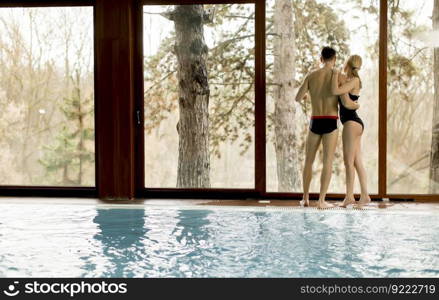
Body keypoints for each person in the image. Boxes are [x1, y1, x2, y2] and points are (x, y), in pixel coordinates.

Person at [295, 46, 339, 209]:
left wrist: (308, 95)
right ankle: (321, 201)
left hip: (315, 120)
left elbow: (298, 97)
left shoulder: (311, 75)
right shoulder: (337, 75)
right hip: (331, 119)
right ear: (334, 59)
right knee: (327, 162)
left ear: (321, 59)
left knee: (308, 161)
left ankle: (305, 198)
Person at [331, 55, 371, 208]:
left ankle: (349, 197)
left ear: (347, 64)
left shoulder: (354, 81)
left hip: (351, 123)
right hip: (354, 124)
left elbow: (344, 100)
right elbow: (345, 98)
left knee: (348, 162)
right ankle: (364, 195)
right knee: (356, 161)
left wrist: (336, 76)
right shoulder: (350, 81)